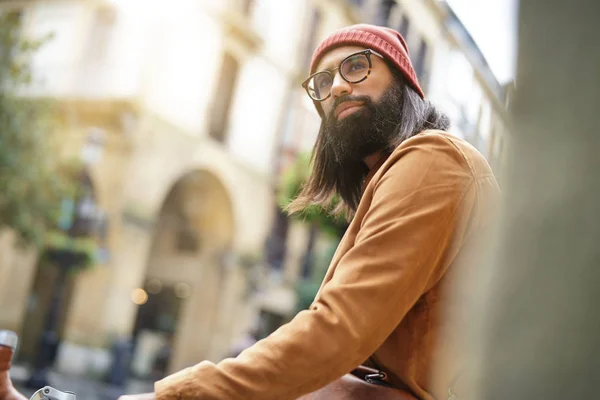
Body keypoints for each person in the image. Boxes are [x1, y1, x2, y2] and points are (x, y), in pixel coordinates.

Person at [119, 24, 500, 400]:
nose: (335, 87)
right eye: (322, 82)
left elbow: (339, 329)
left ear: (403, 82)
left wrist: (176, 396)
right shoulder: (405, 173)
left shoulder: (434, 160)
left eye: (355, 67)